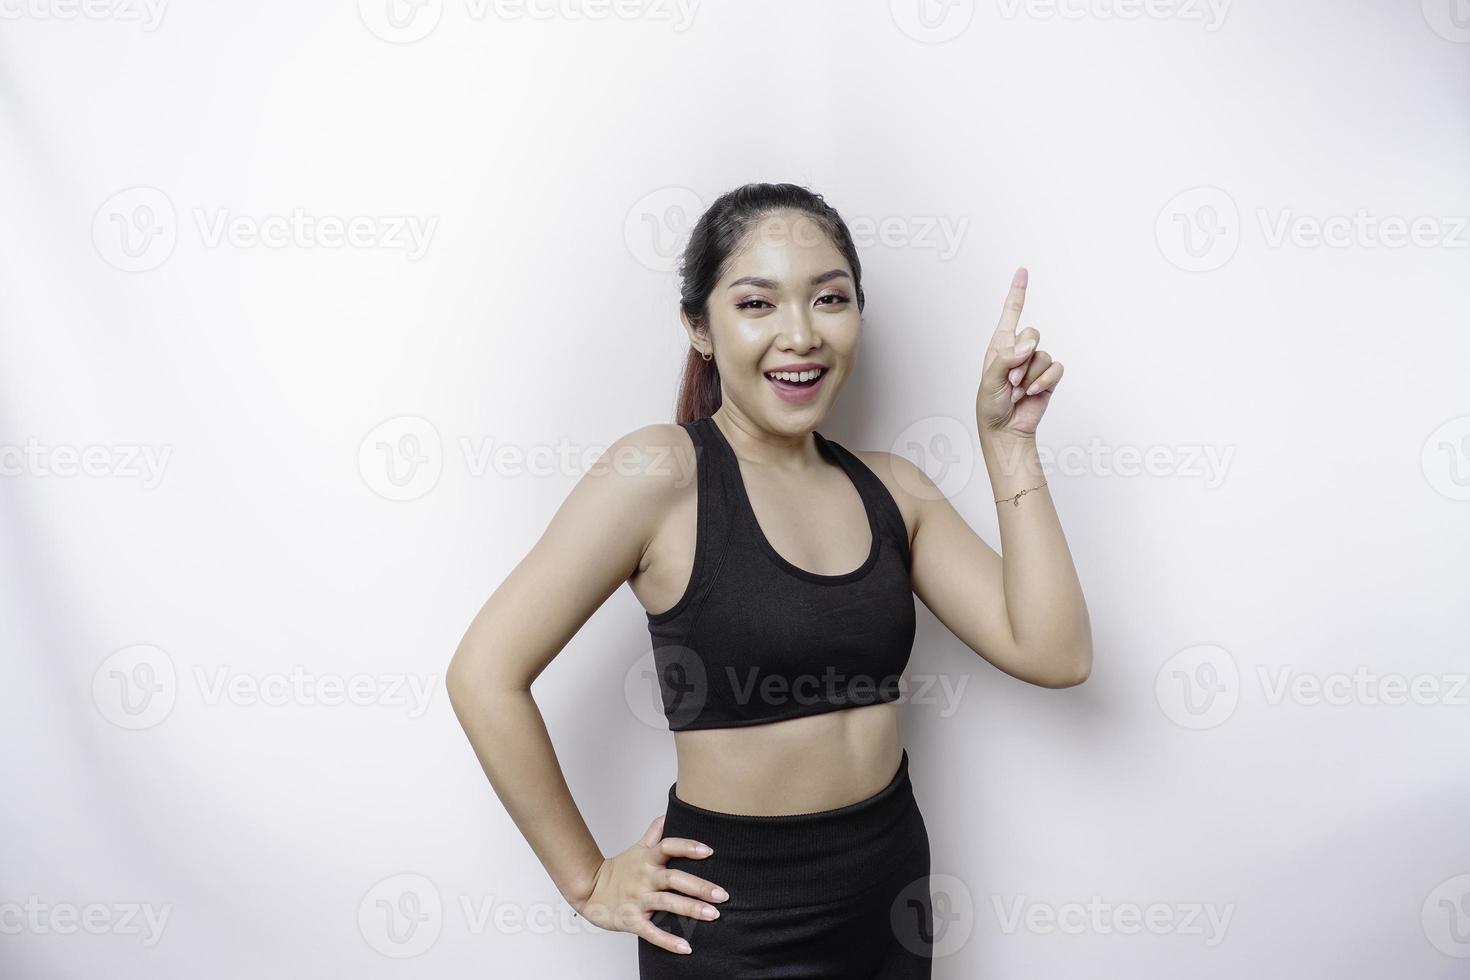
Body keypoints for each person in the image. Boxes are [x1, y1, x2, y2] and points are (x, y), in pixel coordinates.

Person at [446, 182, 1092, 978]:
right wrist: (586, 881)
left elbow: (1056, 653)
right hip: (730, 923)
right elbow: (483, 675)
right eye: (757, 304)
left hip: (889, 895)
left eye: (830, 299)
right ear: (701, 328)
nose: (800, 334)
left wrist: (1008, 442)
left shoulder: (897, 490)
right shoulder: (660, 473)